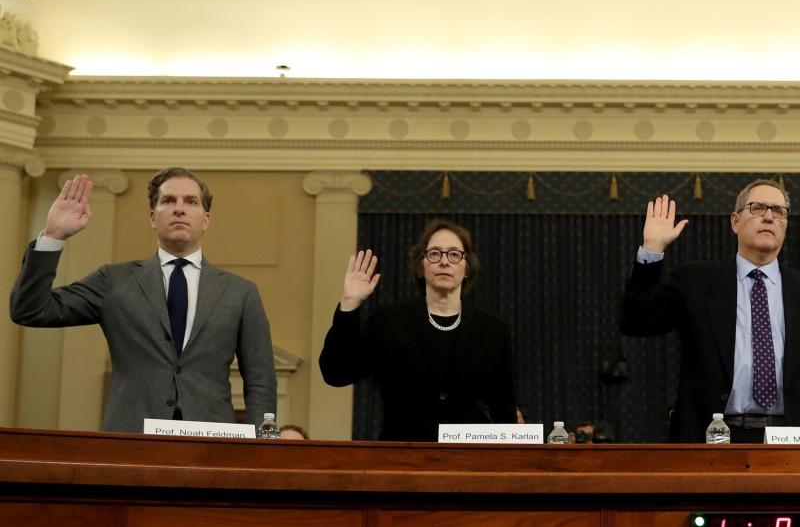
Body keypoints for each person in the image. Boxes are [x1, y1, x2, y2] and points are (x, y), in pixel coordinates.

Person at [10, 169, 276, 431]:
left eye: (191, 201)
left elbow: (261, 378)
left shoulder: (240, 293)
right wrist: (53, 237)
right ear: (152, 217)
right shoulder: (113, 281)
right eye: (168, 201)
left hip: (212, 445)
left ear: (206, 219)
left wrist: (262, 447)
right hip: (131, 440)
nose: (179, 209)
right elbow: (31, 310)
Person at [620, 180, 800, 443]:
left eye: (778, 211)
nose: (768, 216)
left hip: (791, 440)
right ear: (735, 221)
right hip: (711, 438)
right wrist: (652, 249)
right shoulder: (696, 282)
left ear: (786, 225)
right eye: (758, 208)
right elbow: (635, 321)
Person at [319, 219, 516, 442]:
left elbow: (504, 410)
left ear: (467, 267)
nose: (444, 262)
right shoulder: (388, 322)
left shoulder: (493, 330)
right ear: (420, 266)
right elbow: (336, 372)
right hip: (402, 462)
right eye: (434, 254)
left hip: (470, 465)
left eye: (454, 254)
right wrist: (349, 303)